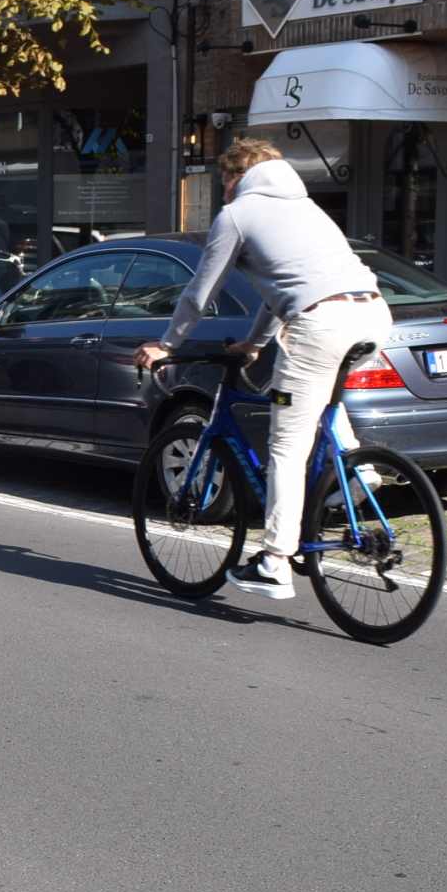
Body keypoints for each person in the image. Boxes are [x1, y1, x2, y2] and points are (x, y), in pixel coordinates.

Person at [134, 137, 390, 601]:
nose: (224, 190)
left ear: (234, 176)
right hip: (373, 314)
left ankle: (274, 562)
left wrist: (165, 344)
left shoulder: (238, 213)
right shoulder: (305, 207)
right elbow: (285, 290)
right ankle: (355, 471)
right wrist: (255, 342)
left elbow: (200, 292)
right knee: (322, 402)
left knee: (286, 447)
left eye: (224, 181)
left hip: (320, 322)